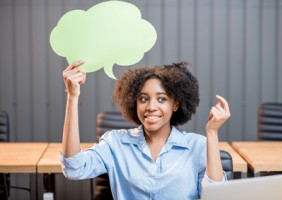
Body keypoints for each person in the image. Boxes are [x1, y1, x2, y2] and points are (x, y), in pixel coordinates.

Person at [60, 60, 231, 200]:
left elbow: (215, 196)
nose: (151, 107)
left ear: (176, 104)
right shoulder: (115, 143)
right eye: (143, 99)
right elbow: (74, 168)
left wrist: (212, 133)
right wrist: (72, 96)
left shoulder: (197, 145)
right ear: (134, 103)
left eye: (162, 99)